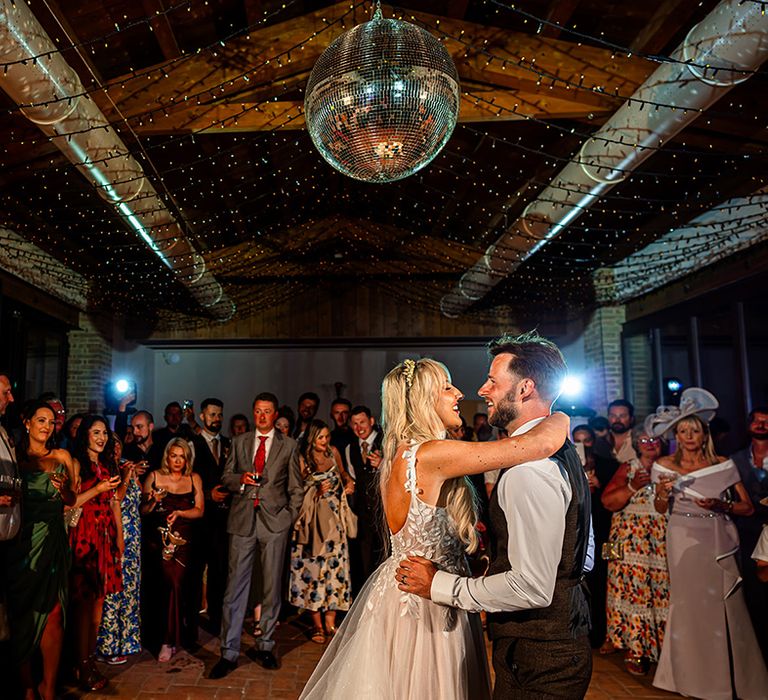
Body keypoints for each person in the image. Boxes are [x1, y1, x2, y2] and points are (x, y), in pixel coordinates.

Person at [300, 354, 570, 699]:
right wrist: (559, 412)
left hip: (417, 593)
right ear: (424, 400)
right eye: (446, 387)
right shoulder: (429, 454)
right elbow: (537, 444)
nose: (458, 393)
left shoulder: (405, 453)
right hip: (426, 606)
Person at [398, 332, 593, 699]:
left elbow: (530, 586)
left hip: (539, 655)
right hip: (557, 641)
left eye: (493, 381)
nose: (481, 390)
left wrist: (440, 585)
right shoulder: (556, 451)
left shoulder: (528, 470)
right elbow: (584, 549)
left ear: (524, 389)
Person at [649, 388, 768, 699]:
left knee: (725, 607)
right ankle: (690, 680)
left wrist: (722, 506)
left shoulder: (723, 464)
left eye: (695, 431)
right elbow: (660, 509)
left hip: (717, 537)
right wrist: (662, 492)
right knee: (688, 609)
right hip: (681, 537)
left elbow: (748, 508)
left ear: (705, 435)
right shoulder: (662, 466)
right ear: (677, 434)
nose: (690, 436)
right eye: (684, 431)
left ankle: (733, 681)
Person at [210, 392, 303, 678]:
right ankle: (228, 652)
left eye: (267, 411)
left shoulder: (288, 446)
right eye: (258, 411)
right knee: (234, 589)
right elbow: (225, 476)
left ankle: (265, 645)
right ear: (254, 413)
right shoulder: (239, 442)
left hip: (274, 524)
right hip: (242, 521)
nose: (262, 416)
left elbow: (296, 488)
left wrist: (288, 518)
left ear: (275, 414)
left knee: (271, 588)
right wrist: (240, 480)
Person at [5, 401, 76, 700]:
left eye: (51, 422)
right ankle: (27, 687)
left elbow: (71, 499)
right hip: (22, 542)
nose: (47, 427)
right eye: (41, 420)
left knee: (54, 614)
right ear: (27, 423)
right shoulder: (15, 457)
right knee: (21, 615)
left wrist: (63, 491)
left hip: (53, 541)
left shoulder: (61, 456)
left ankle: (48, 686)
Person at [601, 428, 669, 675]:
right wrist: (632, 486)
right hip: (624, 542)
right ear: (637, 445)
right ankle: (633, 649)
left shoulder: (671, 468)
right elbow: (607, 502)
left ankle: (662, 649)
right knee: (624, 590)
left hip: (658, 543)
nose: (650, 444)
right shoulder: (628, 467)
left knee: (660, 593)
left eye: (655, 440)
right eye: (645, 440)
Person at [68, 414, 124, 691]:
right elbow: (70, 503)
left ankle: (88, 660)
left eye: (104, 433)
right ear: (85, 435)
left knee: (98, 608)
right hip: (85, 537)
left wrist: (120, 542)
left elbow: (115, 505)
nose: (102, 438)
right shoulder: (76, 464)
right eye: (96, 433)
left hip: (105, 538)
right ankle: (81, 664)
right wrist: (98, 488)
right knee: (83, 606)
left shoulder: (106, 464)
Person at [289, 420, 354, 642]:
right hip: (312, 522)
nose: (325, 441)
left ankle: (331, 621)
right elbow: (297, 489)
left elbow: (344, 473)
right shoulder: (303, 458)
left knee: (335, 571)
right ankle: (316, 624)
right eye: (320, 437)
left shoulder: (333, 452)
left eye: (327, 436)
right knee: (313, 571)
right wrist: (314, 491)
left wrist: (348, 482)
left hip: (334, 522)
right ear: (311, 438)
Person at [141, 438, 204, 662]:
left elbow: (199, 511)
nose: (177, 460)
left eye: (182, 456)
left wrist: (180, 514)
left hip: (185, 542)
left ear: (187, 458)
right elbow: (144, 511)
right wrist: (153, 501)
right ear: (167, 456)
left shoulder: (194, 478)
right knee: (167, 586)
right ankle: (167, 640)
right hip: (159, 541)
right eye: (173, 455)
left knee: (180, 586)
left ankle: (179, 636)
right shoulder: (155, 476)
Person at [96, 436, 142, 665]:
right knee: (113, 593)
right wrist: (125, 477)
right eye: (110, 443)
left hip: (134, 538)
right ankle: (107, 647)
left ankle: (126, 641)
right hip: (116, 534)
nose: (115, 447)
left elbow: (136, 500)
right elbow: (116, 498)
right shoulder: (105, 469)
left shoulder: (125, 465)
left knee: (129, 590)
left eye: (118, 443)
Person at [190, 398, 231, 635]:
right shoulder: (192, 444)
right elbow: (185, 480)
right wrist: (207, 494)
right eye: (212, 414)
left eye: (219, 415)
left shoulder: (229, 444)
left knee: (219, 571)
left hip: (223, 520)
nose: (216, 419)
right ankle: (192, 621)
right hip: (200, 518)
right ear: (202, 416)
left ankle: (217, 620)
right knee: (195, 571)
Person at [731, 405, 768, 663]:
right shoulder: (736, 459)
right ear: (748, 425)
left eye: (766, 422)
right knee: (750, 591)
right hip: (744, 532)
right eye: (757, 422)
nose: (762, 426)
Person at [344, 405, 384, 593]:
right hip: (363, 514)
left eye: (362, 422)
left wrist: (383, 465)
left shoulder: (386, 442)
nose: (359, 428)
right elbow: (353, 476)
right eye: (354, 424)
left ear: (371, 422)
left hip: (385, 511)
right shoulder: (350, 448)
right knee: (365, 560)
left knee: (385, 557)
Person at [329, 398, 353, 465]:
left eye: (344, 412)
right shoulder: (327, 438)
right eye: (337, 412)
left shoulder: (356, 436)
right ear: (331, 415)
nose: (340, 416)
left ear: (350, 414)